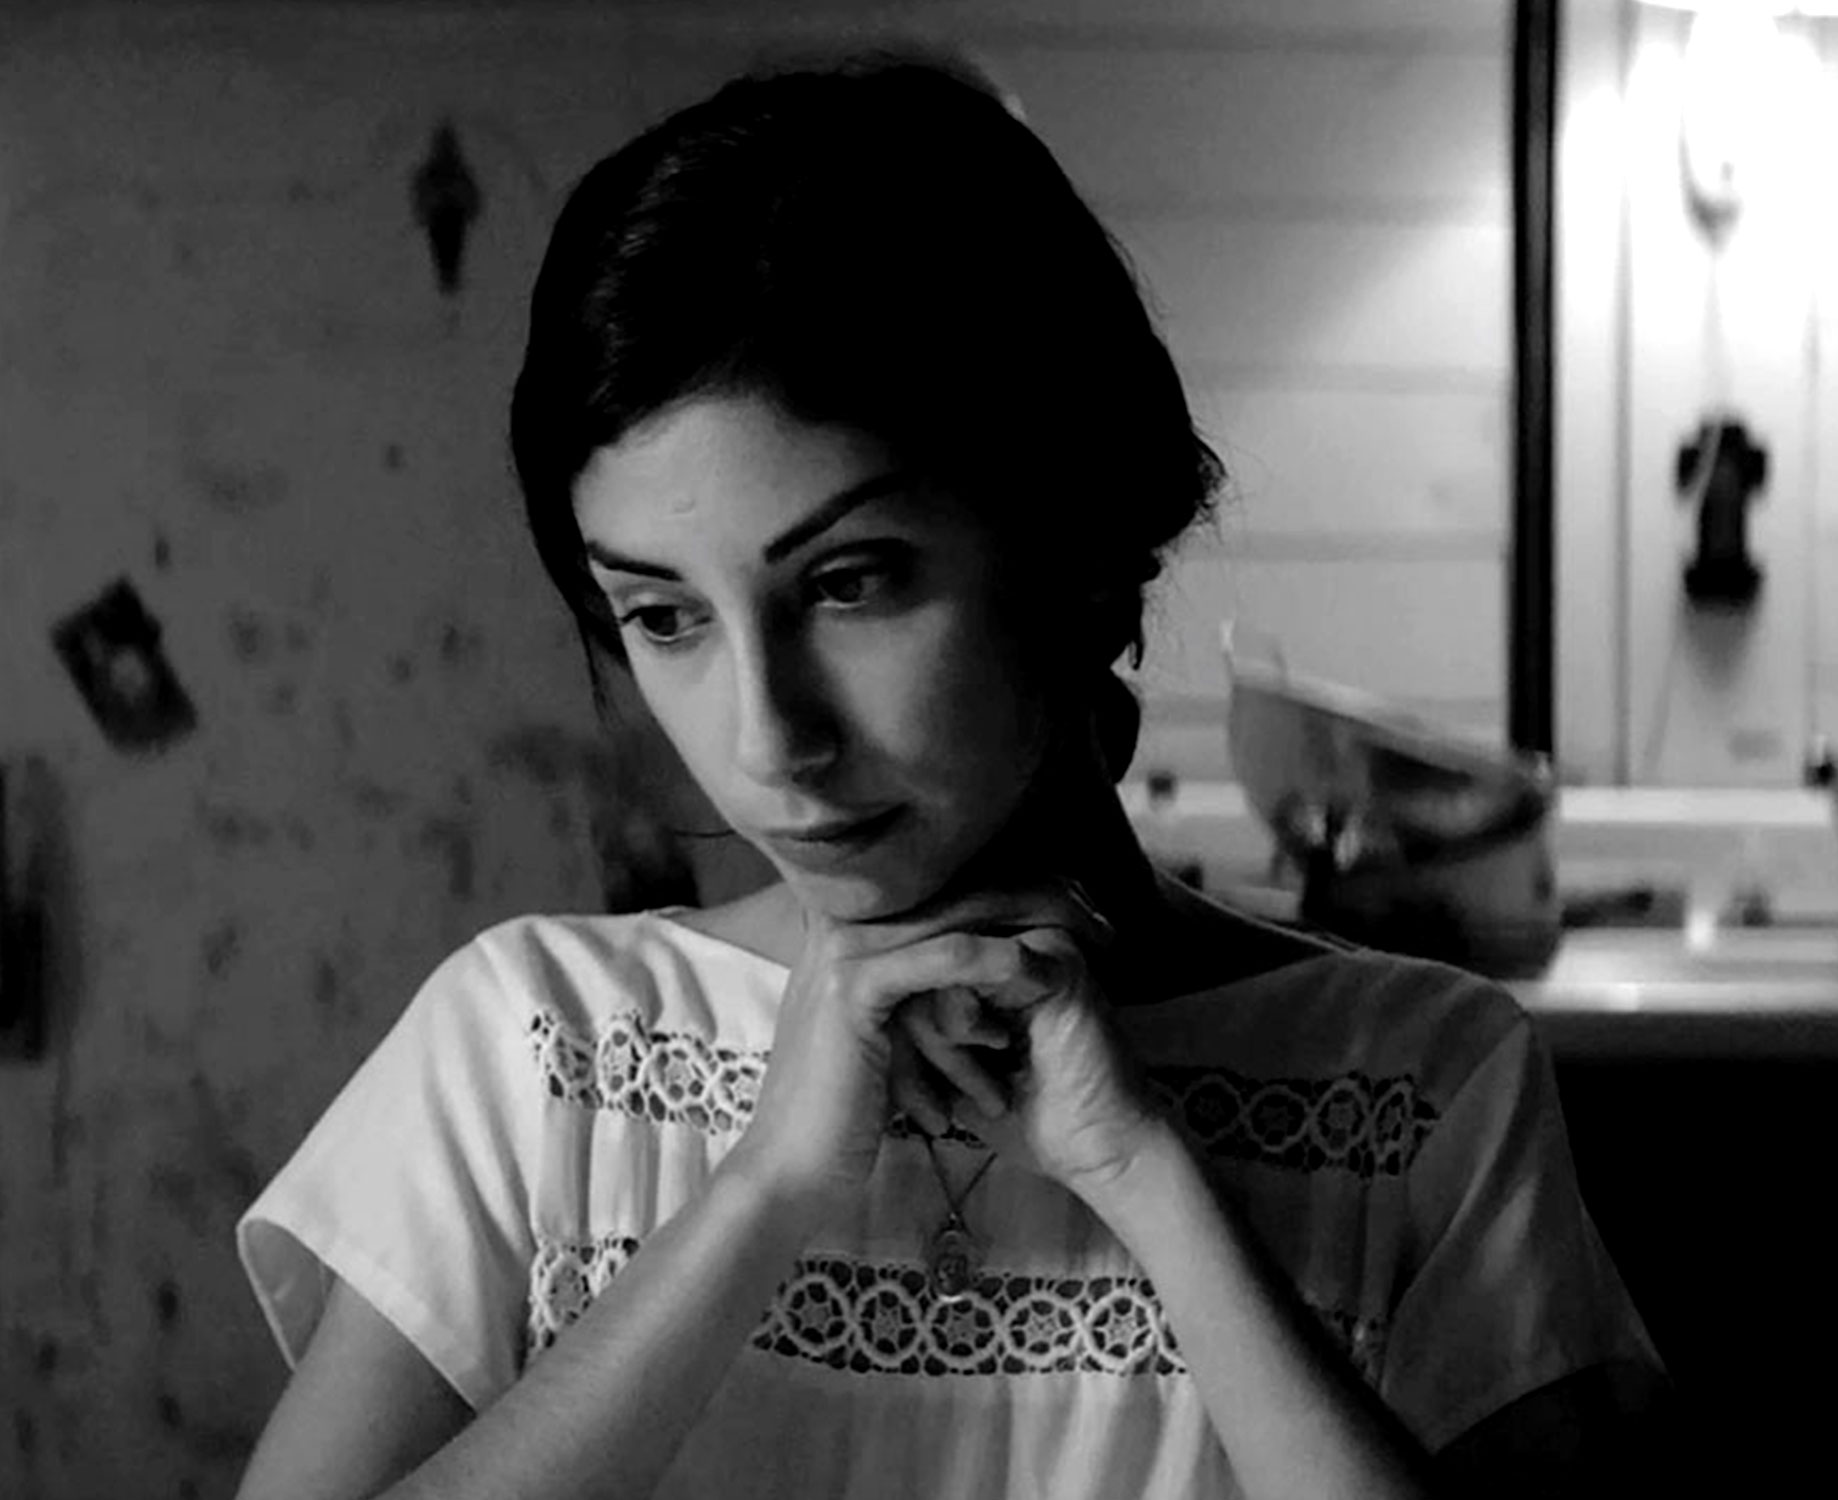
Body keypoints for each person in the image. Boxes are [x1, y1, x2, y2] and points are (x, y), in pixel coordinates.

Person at [233, 51, 1670, 1500]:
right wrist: (764, 1190)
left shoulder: (1417, 1085)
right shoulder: (537, 1054)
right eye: (664, 618)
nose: (768, 739)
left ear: (1081, 557)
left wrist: (1147, 1178)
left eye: (850, 582)